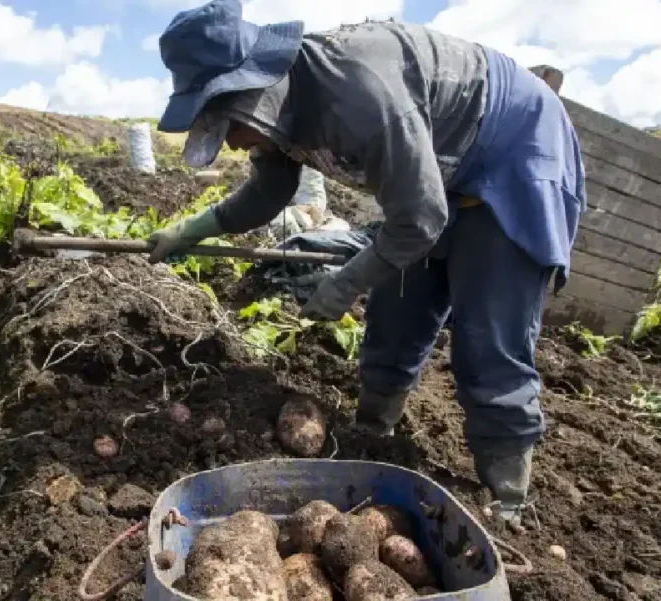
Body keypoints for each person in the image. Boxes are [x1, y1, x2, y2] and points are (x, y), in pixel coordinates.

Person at [147, 0, 587, 528]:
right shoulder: (279, 112)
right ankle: (373, 437)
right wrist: (189, 230)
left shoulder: (358, 92)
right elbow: (266, 195)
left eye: (227, 126)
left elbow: (420, 218)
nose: (234, 145)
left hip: (515, 158)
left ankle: (508, 497)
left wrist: (343, 283)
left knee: (487, 338)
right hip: (435, 181)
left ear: (252, 92)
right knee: (396, 314)